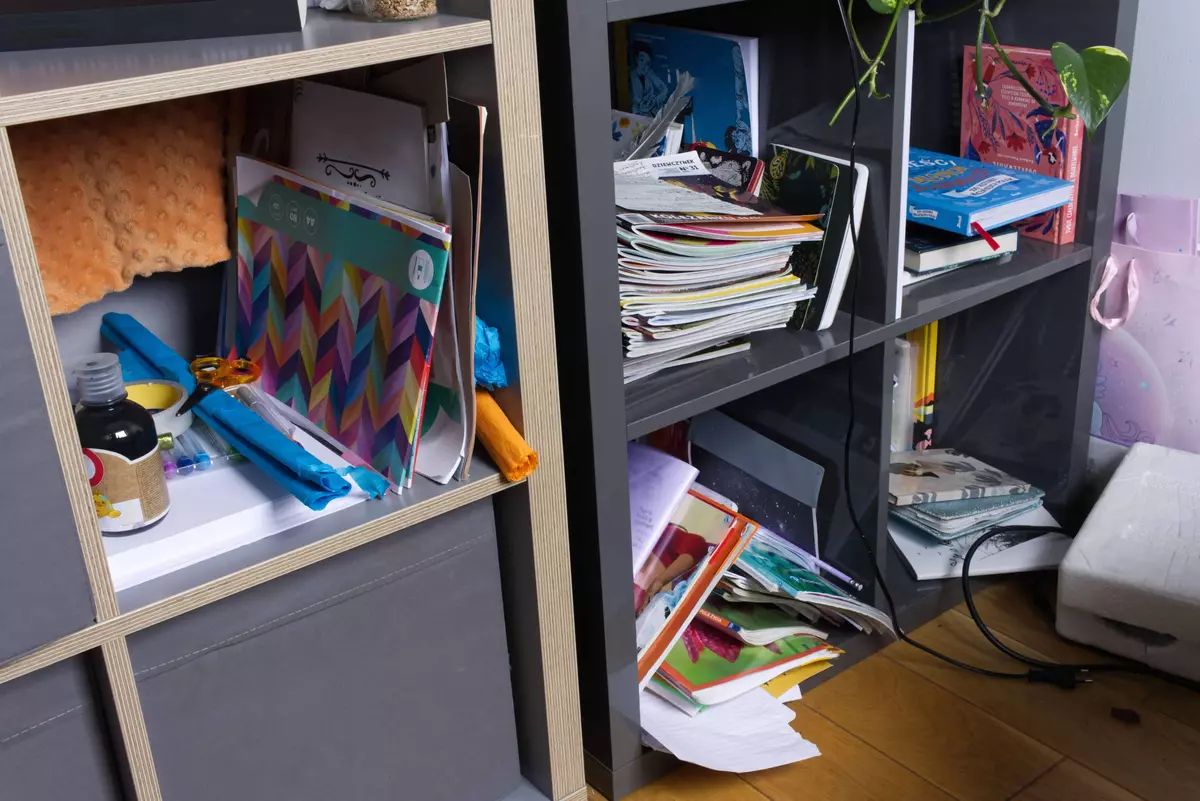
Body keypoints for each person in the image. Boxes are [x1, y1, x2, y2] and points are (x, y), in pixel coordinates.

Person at [630, 41, 669, 116]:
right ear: (636, 59)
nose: (644, 67)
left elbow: (664, 88)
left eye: (647, 63)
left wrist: (656, 100)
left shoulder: (649, 72)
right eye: (641, 60)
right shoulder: (631, 76)